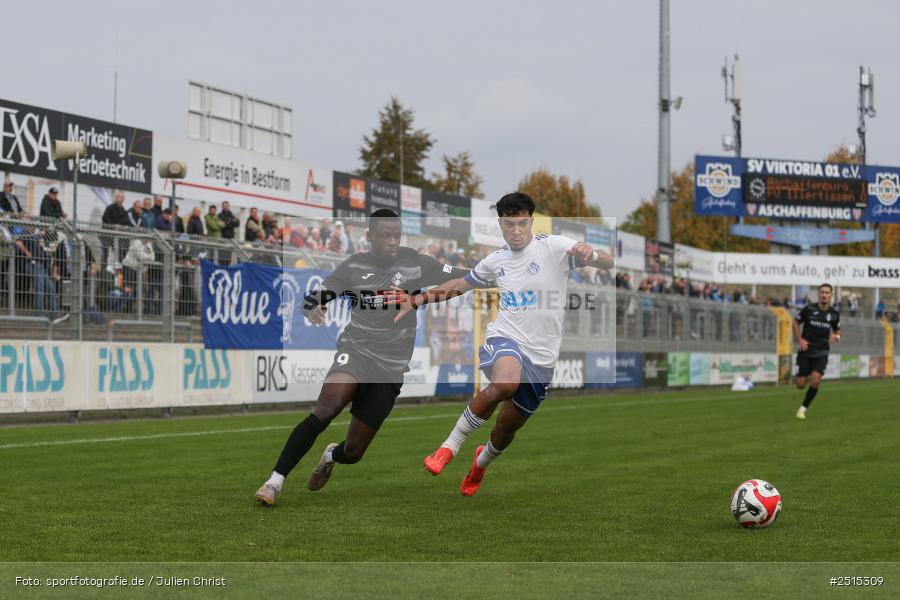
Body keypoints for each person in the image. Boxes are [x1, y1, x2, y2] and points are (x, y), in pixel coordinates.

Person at [390, 192, 613, 496]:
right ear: (501, 224)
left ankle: (480, 463)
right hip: (506, 337)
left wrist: (593, 255)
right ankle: (447, 448)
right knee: (506, 383)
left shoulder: (554, 247)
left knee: (506, 429)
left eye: (522, 223)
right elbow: (459, 285)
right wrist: (417, 299)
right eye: (510, 225)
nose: (517, 231)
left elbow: (608, 262)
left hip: (543, 357)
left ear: (531, 221)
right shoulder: (495, 261)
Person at [254, 208, 469, 507]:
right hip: (356, 351)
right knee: (326, 409)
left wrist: (420, 298)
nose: (392, 241)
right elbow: (315, 296)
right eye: (385, 235)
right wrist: (312, 307)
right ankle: (274, 482)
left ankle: (330, 455)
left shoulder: (417, 263)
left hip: (391, 368)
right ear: (369, 236)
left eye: (397, 235)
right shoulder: (353, 267)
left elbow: (466, 280)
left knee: (353, 453)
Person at [793, 283, 841, 420]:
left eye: (827, 293)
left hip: (821, 352)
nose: (824, 295)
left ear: (831, 295)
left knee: (815, 381)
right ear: (819, 294)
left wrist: (836, 336)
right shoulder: (808, 309)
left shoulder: (834, 314)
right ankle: (807, 373)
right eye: (822, 292)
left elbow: (838, 330)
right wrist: (800, 339)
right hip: (805, 350)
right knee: (800, 385)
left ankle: (802, 410)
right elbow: (795, 322)